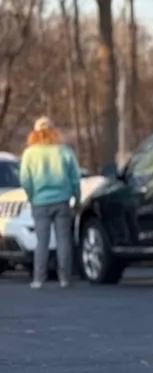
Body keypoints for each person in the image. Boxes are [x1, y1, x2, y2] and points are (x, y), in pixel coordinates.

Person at [19, 116, 82, 290]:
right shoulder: (64, 151)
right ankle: (65, 279)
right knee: (63, 240)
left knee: (42, 241)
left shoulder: (30, 153)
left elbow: (25, 179)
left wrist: (32, 196)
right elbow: (75, 178)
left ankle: (39, 279)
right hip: (62, 201)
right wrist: (77, 198)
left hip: (40, 202)